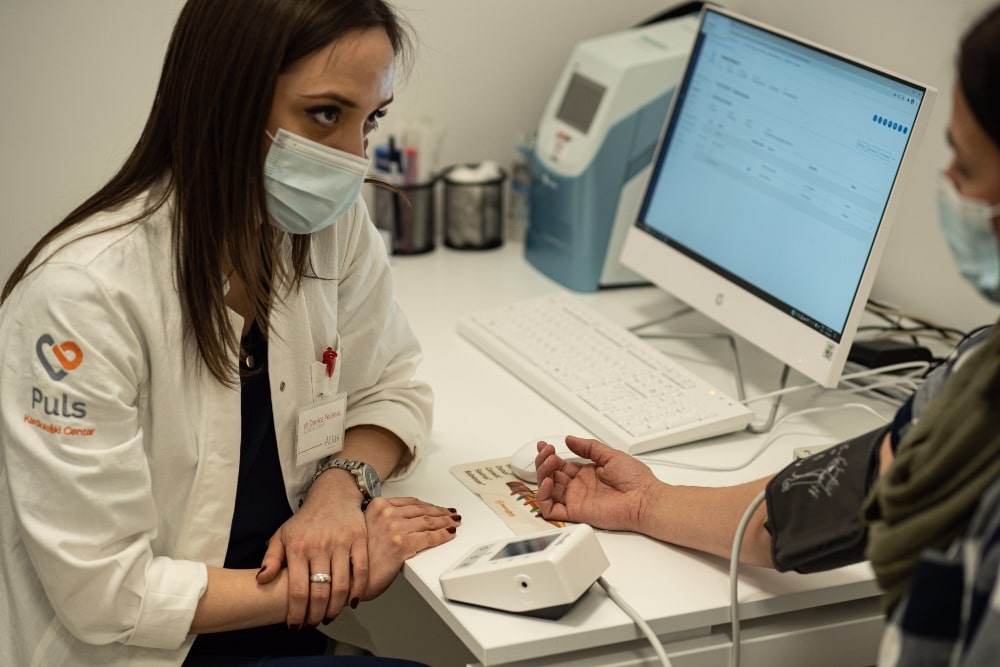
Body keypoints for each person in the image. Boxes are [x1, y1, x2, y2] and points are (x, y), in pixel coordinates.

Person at [533, 5, 1000, 666]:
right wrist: (648, 503)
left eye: (968, 168)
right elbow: (838, 498)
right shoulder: (980, 372)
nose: (949, 188)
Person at [0, 1, 461, 665]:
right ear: (226, 99)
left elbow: (393, 385)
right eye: (325, 114)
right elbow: (109, 594)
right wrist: (340, 574)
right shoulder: (82, 301)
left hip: (284, 632)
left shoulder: (330, 226)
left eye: (372, 119)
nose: (354, 159)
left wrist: (338, 492)